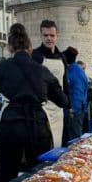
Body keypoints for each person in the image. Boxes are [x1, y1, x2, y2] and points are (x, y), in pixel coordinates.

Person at [0, 23, 69, 182]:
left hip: (10, 124)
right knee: (39, 176)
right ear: (30, 48)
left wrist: (0, 105)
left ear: (9, 48)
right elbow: (63, 101)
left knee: (7, 176)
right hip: (38, 125)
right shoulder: (42, 71)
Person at [31, 19, 68, 151]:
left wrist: (68, 105)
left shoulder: (62, 57)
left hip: (59, 110)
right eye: (45, 35)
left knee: (58, 146)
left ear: (57, 36)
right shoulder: (35, 56)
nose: (49, 38)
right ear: (41, 36)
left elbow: (64, 82)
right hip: (42, 110)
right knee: (44, 147)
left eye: (52, 35)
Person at [60, 46, 88, 144]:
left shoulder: (75, 73)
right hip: (72, 111)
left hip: (74, 112)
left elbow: (77, 93)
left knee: (74, 140)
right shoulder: (75, 71)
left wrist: (73, 109)